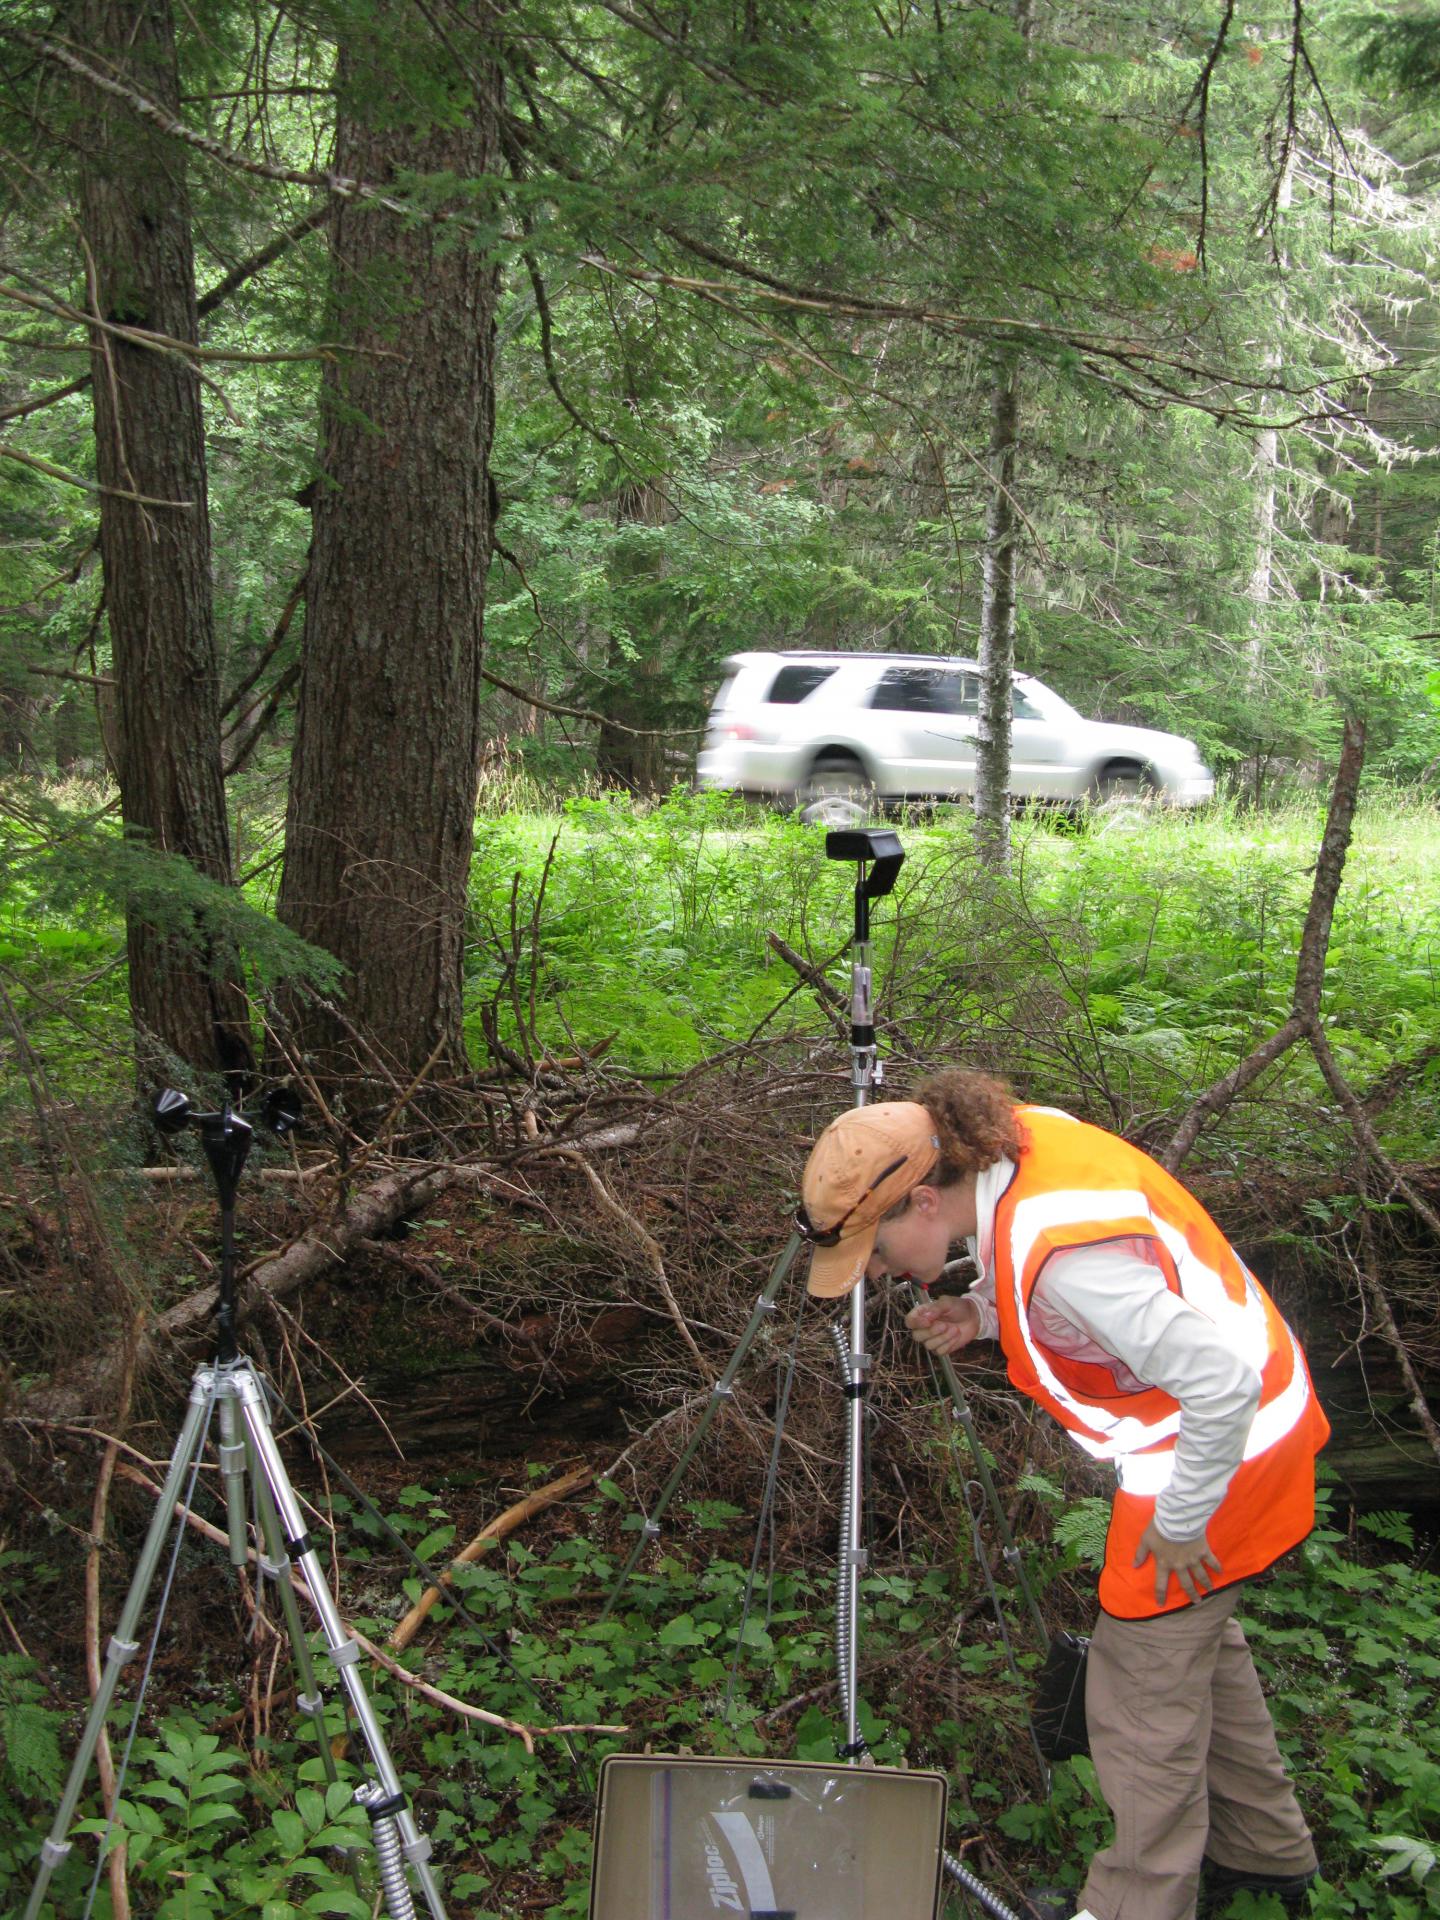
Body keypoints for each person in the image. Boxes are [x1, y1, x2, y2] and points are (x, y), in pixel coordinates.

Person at [795, 1071, 1329, 1920]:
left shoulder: (1070, 1257)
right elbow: (1072, 1282)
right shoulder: (1016, 1145)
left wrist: (1187, 1521)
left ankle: (1135, 1905)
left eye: (878, 1254)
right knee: (1195, 1643)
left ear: (925, 1203)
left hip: (1224, 1457)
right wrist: (984, 1313)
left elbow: (1218, 1383)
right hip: (1220, 1440)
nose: (885, 1276)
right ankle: (1264, 1858)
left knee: (1140, 1694)